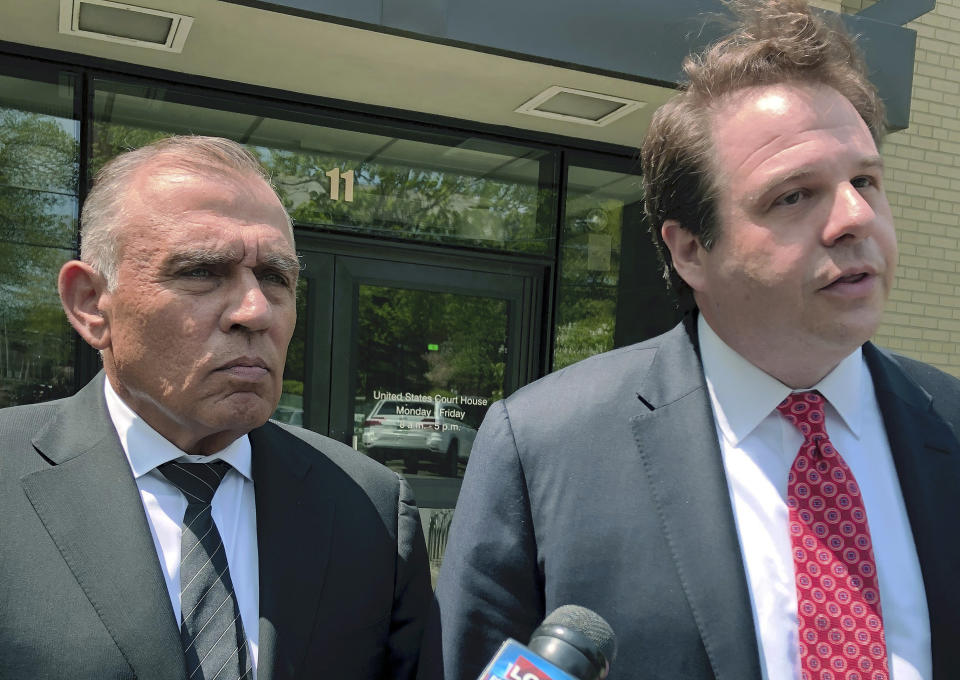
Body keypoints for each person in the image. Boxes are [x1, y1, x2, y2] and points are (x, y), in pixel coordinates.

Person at [432, 1, 960, 678]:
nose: (854, 218)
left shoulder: (947, 426)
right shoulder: (543, 450)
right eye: (794, 196)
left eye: (864, 180)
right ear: (688, 251)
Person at [0, 136, 432, 679]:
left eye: (275, 277)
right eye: (202, 272)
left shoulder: (369, 507)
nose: (255, 311)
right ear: (91, 304)